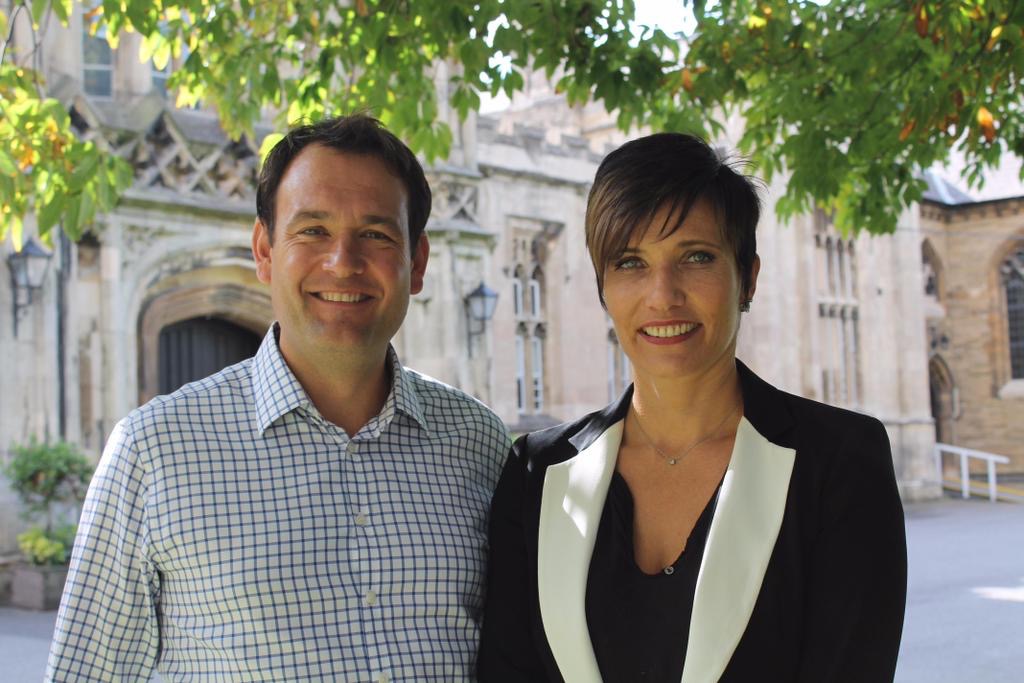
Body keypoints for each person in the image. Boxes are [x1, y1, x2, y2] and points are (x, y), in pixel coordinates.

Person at [48, 114, 510, 681]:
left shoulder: (478, 443)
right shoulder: (153, 452)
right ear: (264, 251)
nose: (343, 261)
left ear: (416, 263)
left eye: (376, 234)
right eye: (312, 230)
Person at [478, 133, 907, 682]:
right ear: (603, 289)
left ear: (748, 278)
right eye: (630, 262)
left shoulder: (840, 461)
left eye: (697, 257)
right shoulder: (537, 472)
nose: (663, 295)